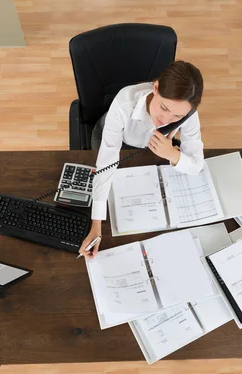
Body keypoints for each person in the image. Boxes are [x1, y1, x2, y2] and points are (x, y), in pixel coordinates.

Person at [79, 60, 205, 259]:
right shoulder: (124, 104)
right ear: (155, 88)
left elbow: (197, 165)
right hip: (114, 138)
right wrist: (96, 226)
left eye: (177, 116)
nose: (166, 119)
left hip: (156, 148)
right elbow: (106, 161)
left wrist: (172, 154)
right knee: (111, 191)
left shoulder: (187, 114)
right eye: (164, 107)